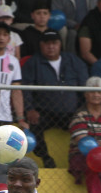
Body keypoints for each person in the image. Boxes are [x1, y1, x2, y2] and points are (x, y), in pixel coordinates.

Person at [22, 29, 89, 168]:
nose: (51, 46)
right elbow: (25, 89)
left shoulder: (73, 61)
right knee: (34, 125)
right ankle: (46, 158)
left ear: (60, 44)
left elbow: (86, 87)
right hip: (45, 112)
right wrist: (29, 109)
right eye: (47, 43)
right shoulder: (33, 63)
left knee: (86, 126)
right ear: (41, 45)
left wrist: (83, 109)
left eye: (54, 43)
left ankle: (81, 161)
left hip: (72, 112)